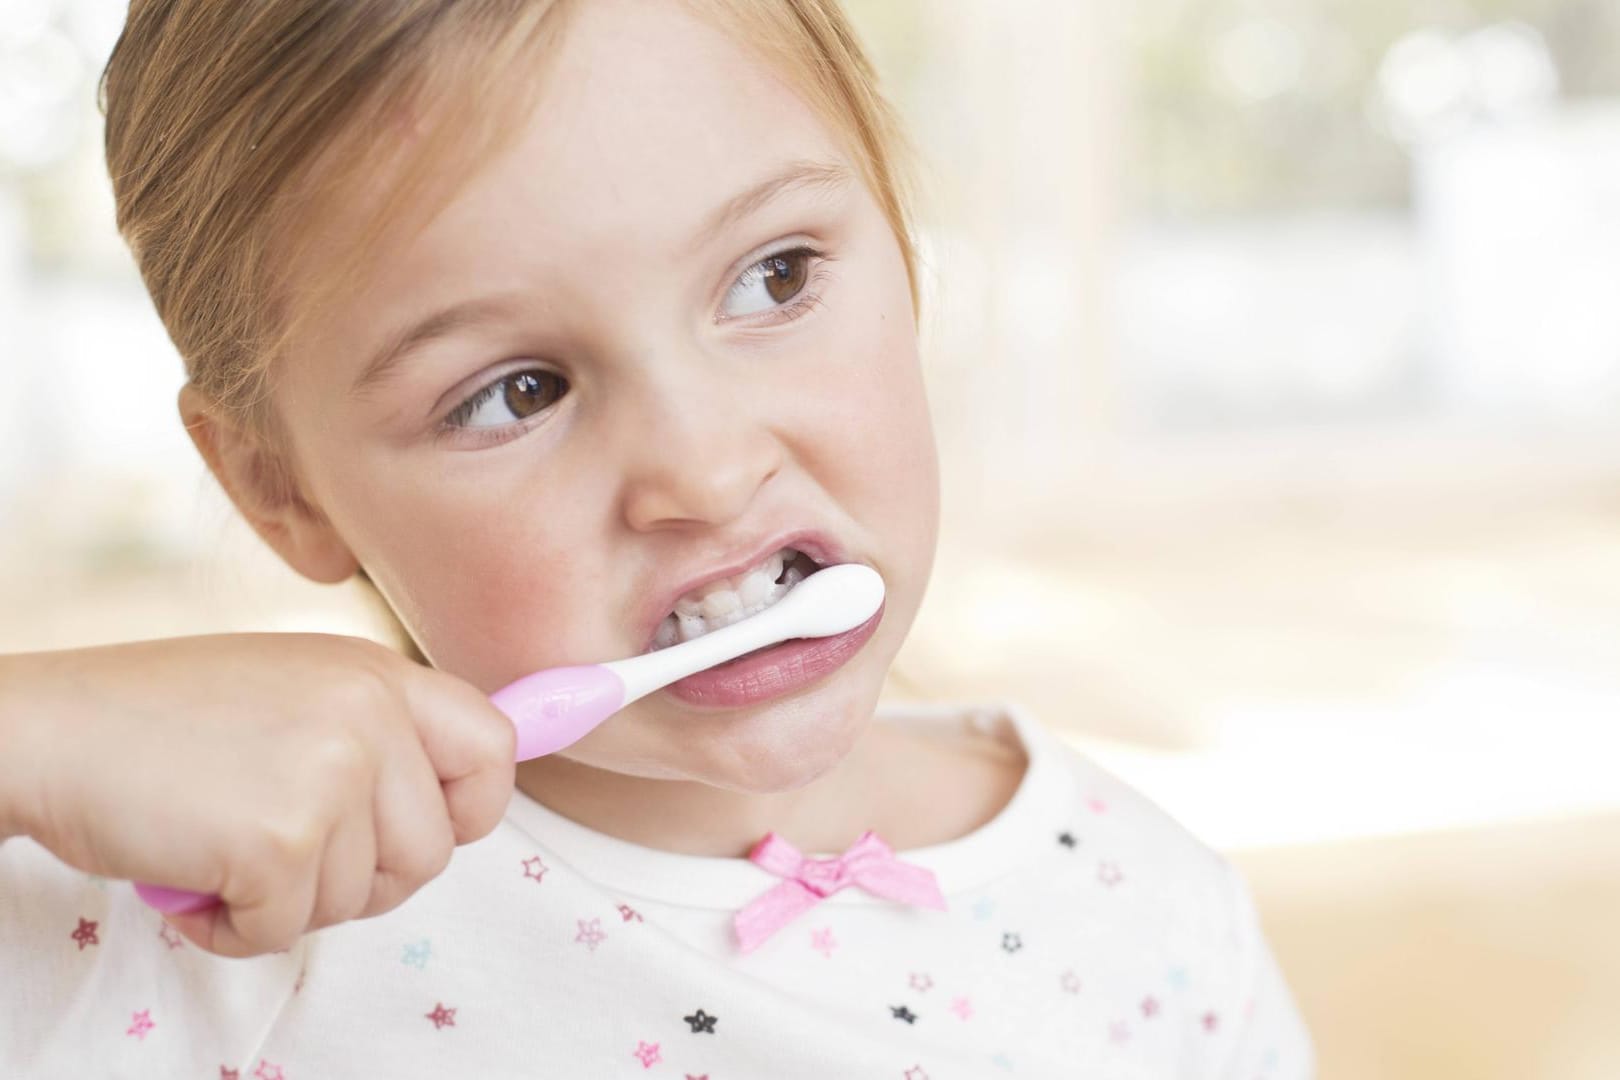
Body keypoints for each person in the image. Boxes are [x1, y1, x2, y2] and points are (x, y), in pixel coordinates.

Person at [0, 0, 1315, 1075]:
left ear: (903, 249)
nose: (704, 467)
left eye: (775, 276)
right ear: (278, 488)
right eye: (517, 391)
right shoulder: (176, 938)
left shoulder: (1151, 920)